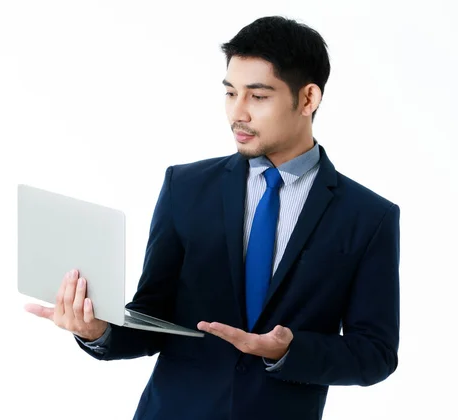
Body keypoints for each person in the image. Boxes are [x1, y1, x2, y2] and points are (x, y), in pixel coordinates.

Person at [24, 15, 400, 420]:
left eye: (258, 97)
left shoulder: (368, 217)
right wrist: (97, 331)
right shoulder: (185, 187)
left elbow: (374, 354)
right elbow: (154, 314)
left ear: (308, 99)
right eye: (230, 93)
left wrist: (289, 350)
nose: (237, 113)